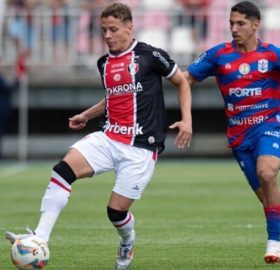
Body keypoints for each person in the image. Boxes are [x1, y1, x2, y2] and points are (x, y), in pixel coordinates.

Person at [5, 3, 192, 270]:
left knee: (115, 212)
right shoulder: (103, 63)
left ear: (129, 27)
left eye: (113, 29)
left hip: (140, 148)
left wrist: (187, 119)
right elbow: (115, 97)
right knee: (62, 170)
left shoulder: (151, 56)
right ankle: (40, 238)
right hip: (109, 137)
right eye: (103, 29)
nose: (107, 35)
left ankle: (127, 241)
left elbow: (182, 82)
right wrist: (87, 115)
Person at [184, 1, 280, 264]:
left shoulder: (274, 55)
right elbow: (185, 79)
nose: (234, 29)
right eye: (231, 23)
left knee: (267, 173)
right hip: (239, 137)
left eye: (240, 23)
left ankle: (274, 245)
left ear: (256, 25)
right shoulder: (218, 55)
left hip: (269, 126)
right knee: (269, 196)